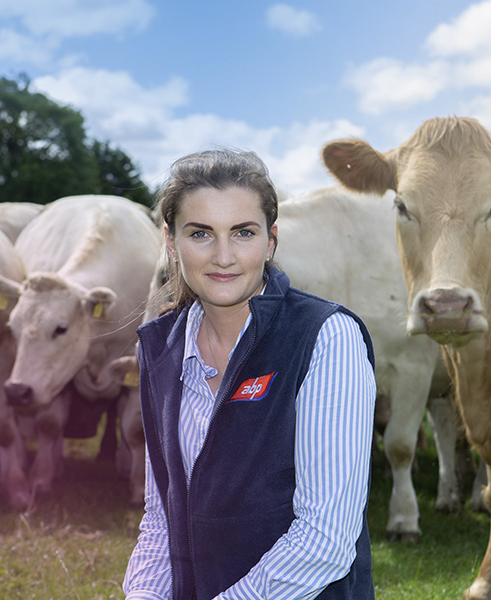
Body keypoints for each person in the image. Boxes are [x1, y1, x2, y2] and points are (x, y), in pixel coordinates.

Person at [122, 148, 376, 600]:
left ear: (271, 240)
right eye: (200, 233)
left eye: (243, 233)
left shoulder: (325, 337)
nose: (223, 256)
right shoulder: (159, 349)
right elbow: (162, 519)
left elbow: (326, 537)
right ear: (171, 241)